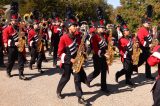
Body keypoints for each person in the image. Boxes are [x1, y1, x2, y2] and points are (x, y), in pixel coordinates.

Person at [56, 19, 88, 105]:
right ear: (69, 28)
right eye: (74, 26)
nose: (76, 27)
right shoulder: (63, 38)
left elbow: (81, 47)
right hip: (67, 62)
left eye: (76, 25)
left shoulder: (78, 36)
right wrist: (70, 59)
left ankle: (80, 97)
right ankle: (58, 91)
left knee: (77, 79)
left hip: (76, 62)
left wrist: (83, 53)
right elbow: (59, 53)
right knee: (66, 78)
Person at [87, 21, 110, 92]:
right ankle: (87, 79)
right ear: (97, 28)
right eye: (101, 27)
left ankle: (104, 87)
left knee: (104, 71)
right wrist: (103, 54)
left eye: (103, 27)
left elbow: (107, 44)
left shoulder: (104, 35)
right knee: (97, 71)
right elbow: (96, 49)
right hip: (97, 56)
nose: (103, 28)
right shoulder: (94, 37)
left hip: (103, 56)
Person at [3, 15, 27, 80]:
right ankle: (8, 71)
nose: (16, 22)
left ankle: (21, 74)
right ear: (11, 21)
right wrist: (14, 43)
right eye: (14, 20)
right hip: (12, 48)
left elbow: (24, 35)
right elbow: (5, 40)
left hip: (20, 46)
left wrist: (24, 35)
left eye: (16, 20)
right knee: (11, 61)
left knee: (21, 60)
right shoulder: (7, 29)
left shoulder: (20, 27)